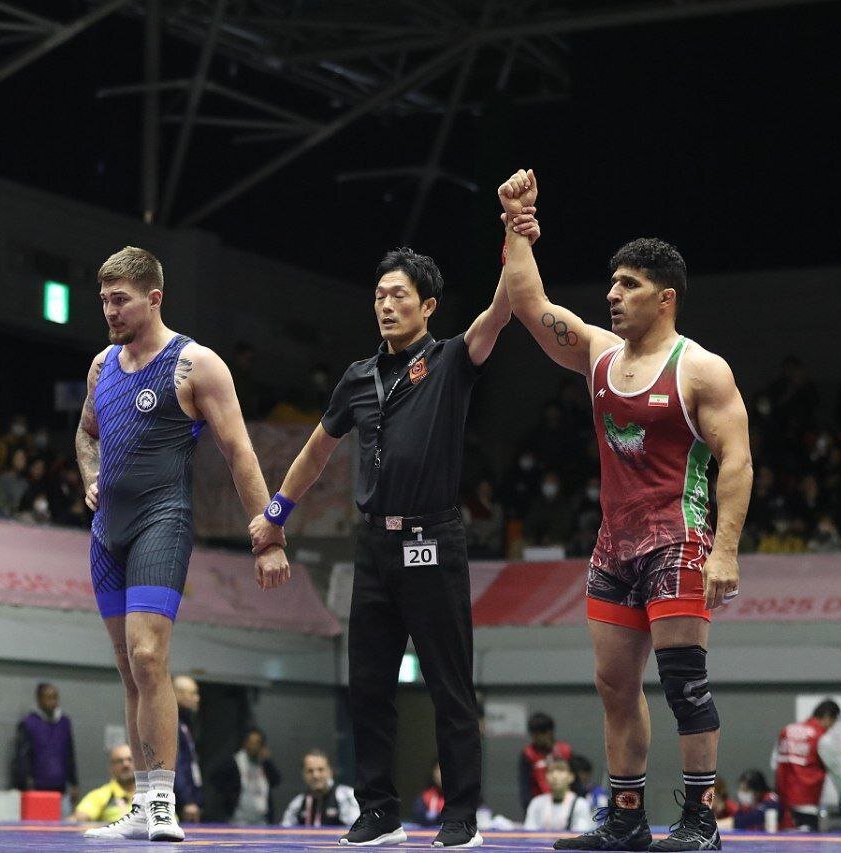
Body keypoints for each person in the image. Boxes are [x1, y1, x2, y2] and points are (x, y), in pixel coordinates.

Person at [250, 208, 540, 849]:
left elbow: (502, 309)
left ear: (428, 306)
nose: (385, 305)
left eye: (399, 295)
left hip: (433, 541)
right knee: (368, 686)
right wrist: (275, 514)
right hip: (375, 546)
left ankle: (460, 817)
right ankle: (379, 811)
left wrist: (514, 232)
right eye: (379, 295)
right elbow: (317, 451)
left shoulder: (451, 360)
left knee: (448, 685)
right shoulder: (357, 378)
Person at [499, 169, 752, 852]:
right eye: (611, 283)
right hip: (613, 548)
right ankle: (628, 818)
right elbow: (528, 302)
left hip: (678, 542)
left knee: (683, 683)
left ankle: (700, 821)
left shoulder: (701, 369)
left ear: (666, 298)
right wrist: (517, 225)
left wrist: (725, 551)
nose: (611, 295)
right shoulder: (597, 354)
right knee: (614, 685)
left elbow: (737, 461)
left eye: (628, 285)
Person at [76, 246, 289, 843]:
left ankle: (163, 800)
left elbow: (239, 451)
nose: (110, 311)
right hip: (107, 531)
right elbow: (87, 433)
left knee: (149, 657)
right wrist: (90, 474)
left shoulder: (195, 365)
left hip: (161, 522)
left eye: (120, 300)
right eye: (104, 301)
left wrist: (267, 537)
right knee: (128, 668)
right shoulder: (101, 366)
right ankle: (142, 804)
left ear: (154, 298)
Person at [774, 699, 841, 830]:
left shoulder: (786, 731)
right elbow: (836, 772)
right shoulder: (822, 738)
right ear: (827, 717)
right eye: (832, 723)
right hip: (807, 804)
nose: (831, 728)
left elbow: (774, 764)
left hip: (782, 805)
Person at [12, 683, 79, 806]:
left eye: (55, 697)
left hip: (61, 788)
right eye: (48, 698)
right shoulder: (28, 723)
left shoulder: (64, 723)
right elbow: (22, 758)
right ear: (39, 700)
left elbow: (70, 754)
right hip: (37, 789)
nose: (52, 702)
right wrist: (25, 785)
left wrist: (74, 783)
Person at [212, 726, 282, 825]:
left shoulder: (264, 764)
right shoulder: (235, 762)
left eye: (257, 743)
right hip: (238, 819)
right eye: (251, 742)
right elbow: (215, 778)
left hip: (261, 820)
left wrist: (268, 761)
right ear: (245, 743)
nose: (254, 746)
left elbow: (276, 780)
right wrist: (229, 796)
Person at [280, 749, 360, 828]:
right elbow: (285, 831)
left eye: (321, 770)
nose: (315, 775)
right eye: (310, 771)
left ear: (330, 771)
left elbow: (355, 829)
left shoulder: (346, 796)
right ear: (303, 774)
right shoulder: (298, 803)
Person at [519, 712, 575, 813]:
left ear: (550, 732)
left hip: (565, 806)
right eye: (533, 735)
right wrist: (529, 808)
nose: (535, 738)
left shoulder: (565, 751)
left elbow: (575, 781)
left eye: (539, 734)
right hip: (539, 807)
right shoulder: (528, 754)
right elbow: (525, 786)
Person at [524, 757, 595, 834]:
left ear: (571, 777)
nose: (555, 775)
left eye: (561, 770)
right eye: (551, 771)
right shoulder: (536, 803)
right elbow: (529, 832)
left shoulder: (580, 804)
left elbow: (581, 834)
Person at [72, 744, 137, 824]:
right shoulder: (101, 795)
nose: (125, 764)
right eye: (119, 761)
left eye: (130, 760)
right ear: (111, 767)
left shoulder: (148, 792)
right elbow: (76, 821)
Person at [173, 675, 204, 824]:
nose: (197, 698)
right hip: (180, 803)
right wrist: (186, 800)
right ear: (178, 694)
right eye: (193, 693)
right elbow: (177, 764)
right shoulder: (173, 724)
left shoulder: (184, 724)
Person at [413, 758, 445, 826]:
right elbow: (419, 819)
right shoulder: (423, 800)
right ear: (433, 774)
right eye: (439, 769)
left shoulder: (461, 800)